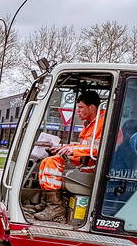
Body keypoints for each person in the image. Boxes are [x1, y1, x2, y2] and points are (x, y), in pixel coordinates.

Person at [30, 91, 107, 223]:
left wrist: (73, 150)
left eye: (81, 107)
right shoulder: (92, 123)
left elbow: (100, 148)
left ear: (92, 107)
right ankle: (47, 202)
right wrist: (64, 147)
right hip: (83, 161)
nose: (78, 111)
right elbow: (85, 144)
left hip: (92, 166)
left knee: (52, 163)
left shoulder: (103, 123)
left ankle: (56, 207)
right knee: (45, 162)